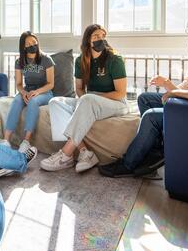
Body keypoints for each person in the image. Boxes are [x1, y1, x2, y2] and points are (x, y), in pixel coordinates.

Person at [99, 18, 188, 178]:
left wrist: (176, 93)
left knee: (151, 116)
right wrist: (167, 84)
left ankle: (128, 164)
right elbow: (182, 91)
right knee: (145, 99)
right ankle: (155, 151)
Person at [40, 24, 129, 173]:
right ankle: (85, 153)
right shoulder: (81, 60)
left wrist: (91, 97)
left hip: (116, 103)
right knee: (55, 102)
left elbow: (120, 93)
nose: (100, 39)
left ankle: (65, 154)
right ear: (88, 40)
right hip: (90, 101)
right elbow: (79, 89)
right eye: (96, 37)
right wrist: (85, 99)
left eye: (102, 36)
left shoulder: (115, 59)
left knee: (88, 100)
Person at [4, 31, 55, 152]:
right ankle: (6, 140)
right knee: (16, 101)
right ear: (23, 47)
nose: (32, 45)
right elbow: (18, 84)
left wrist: (37, 92)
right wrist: (23, 93)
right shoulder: (20, 61)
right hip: (27, 90)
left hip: (44, 92)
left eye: (34, 42)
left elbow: (51, 84)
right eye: (28, 43)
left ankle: (26, 141)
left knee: (32, 101)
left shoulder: (46, 60)